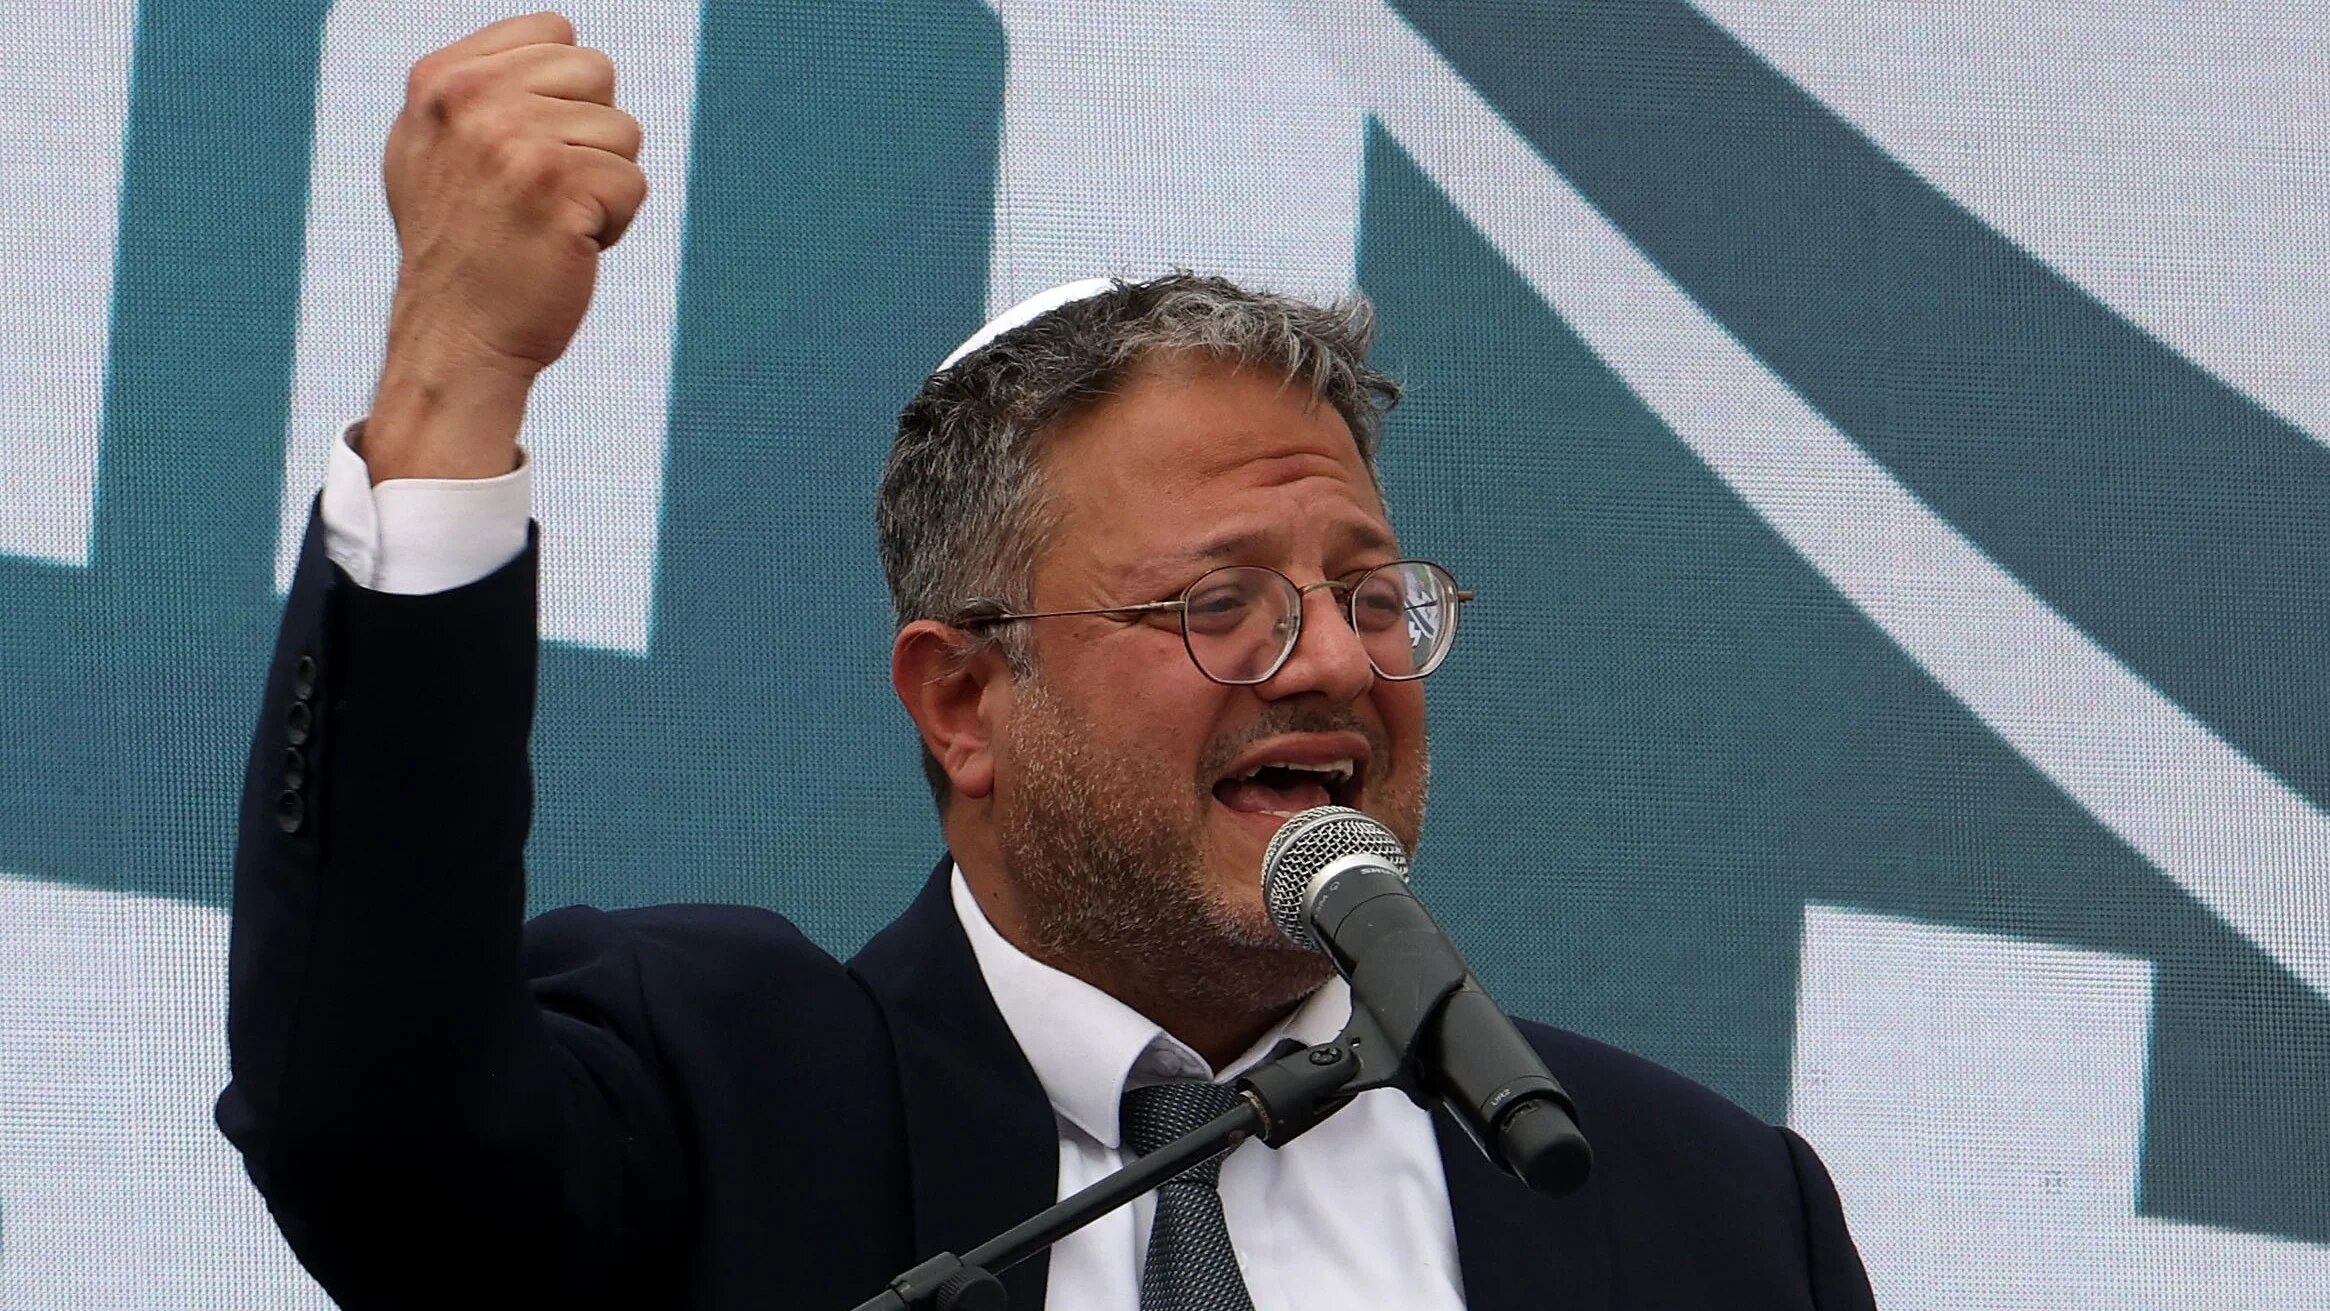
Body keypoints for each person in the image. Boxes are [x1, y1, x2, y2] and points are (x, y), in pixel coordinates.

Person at [218, 13, 1876, 1311]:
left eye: (1369, 594)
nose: (1330, 668)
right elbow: (374, 1123)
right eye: (1220, 604)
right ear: (962, 701)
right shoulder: (726, 1107)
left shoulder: (1704, 1213)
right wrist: (455, 374)